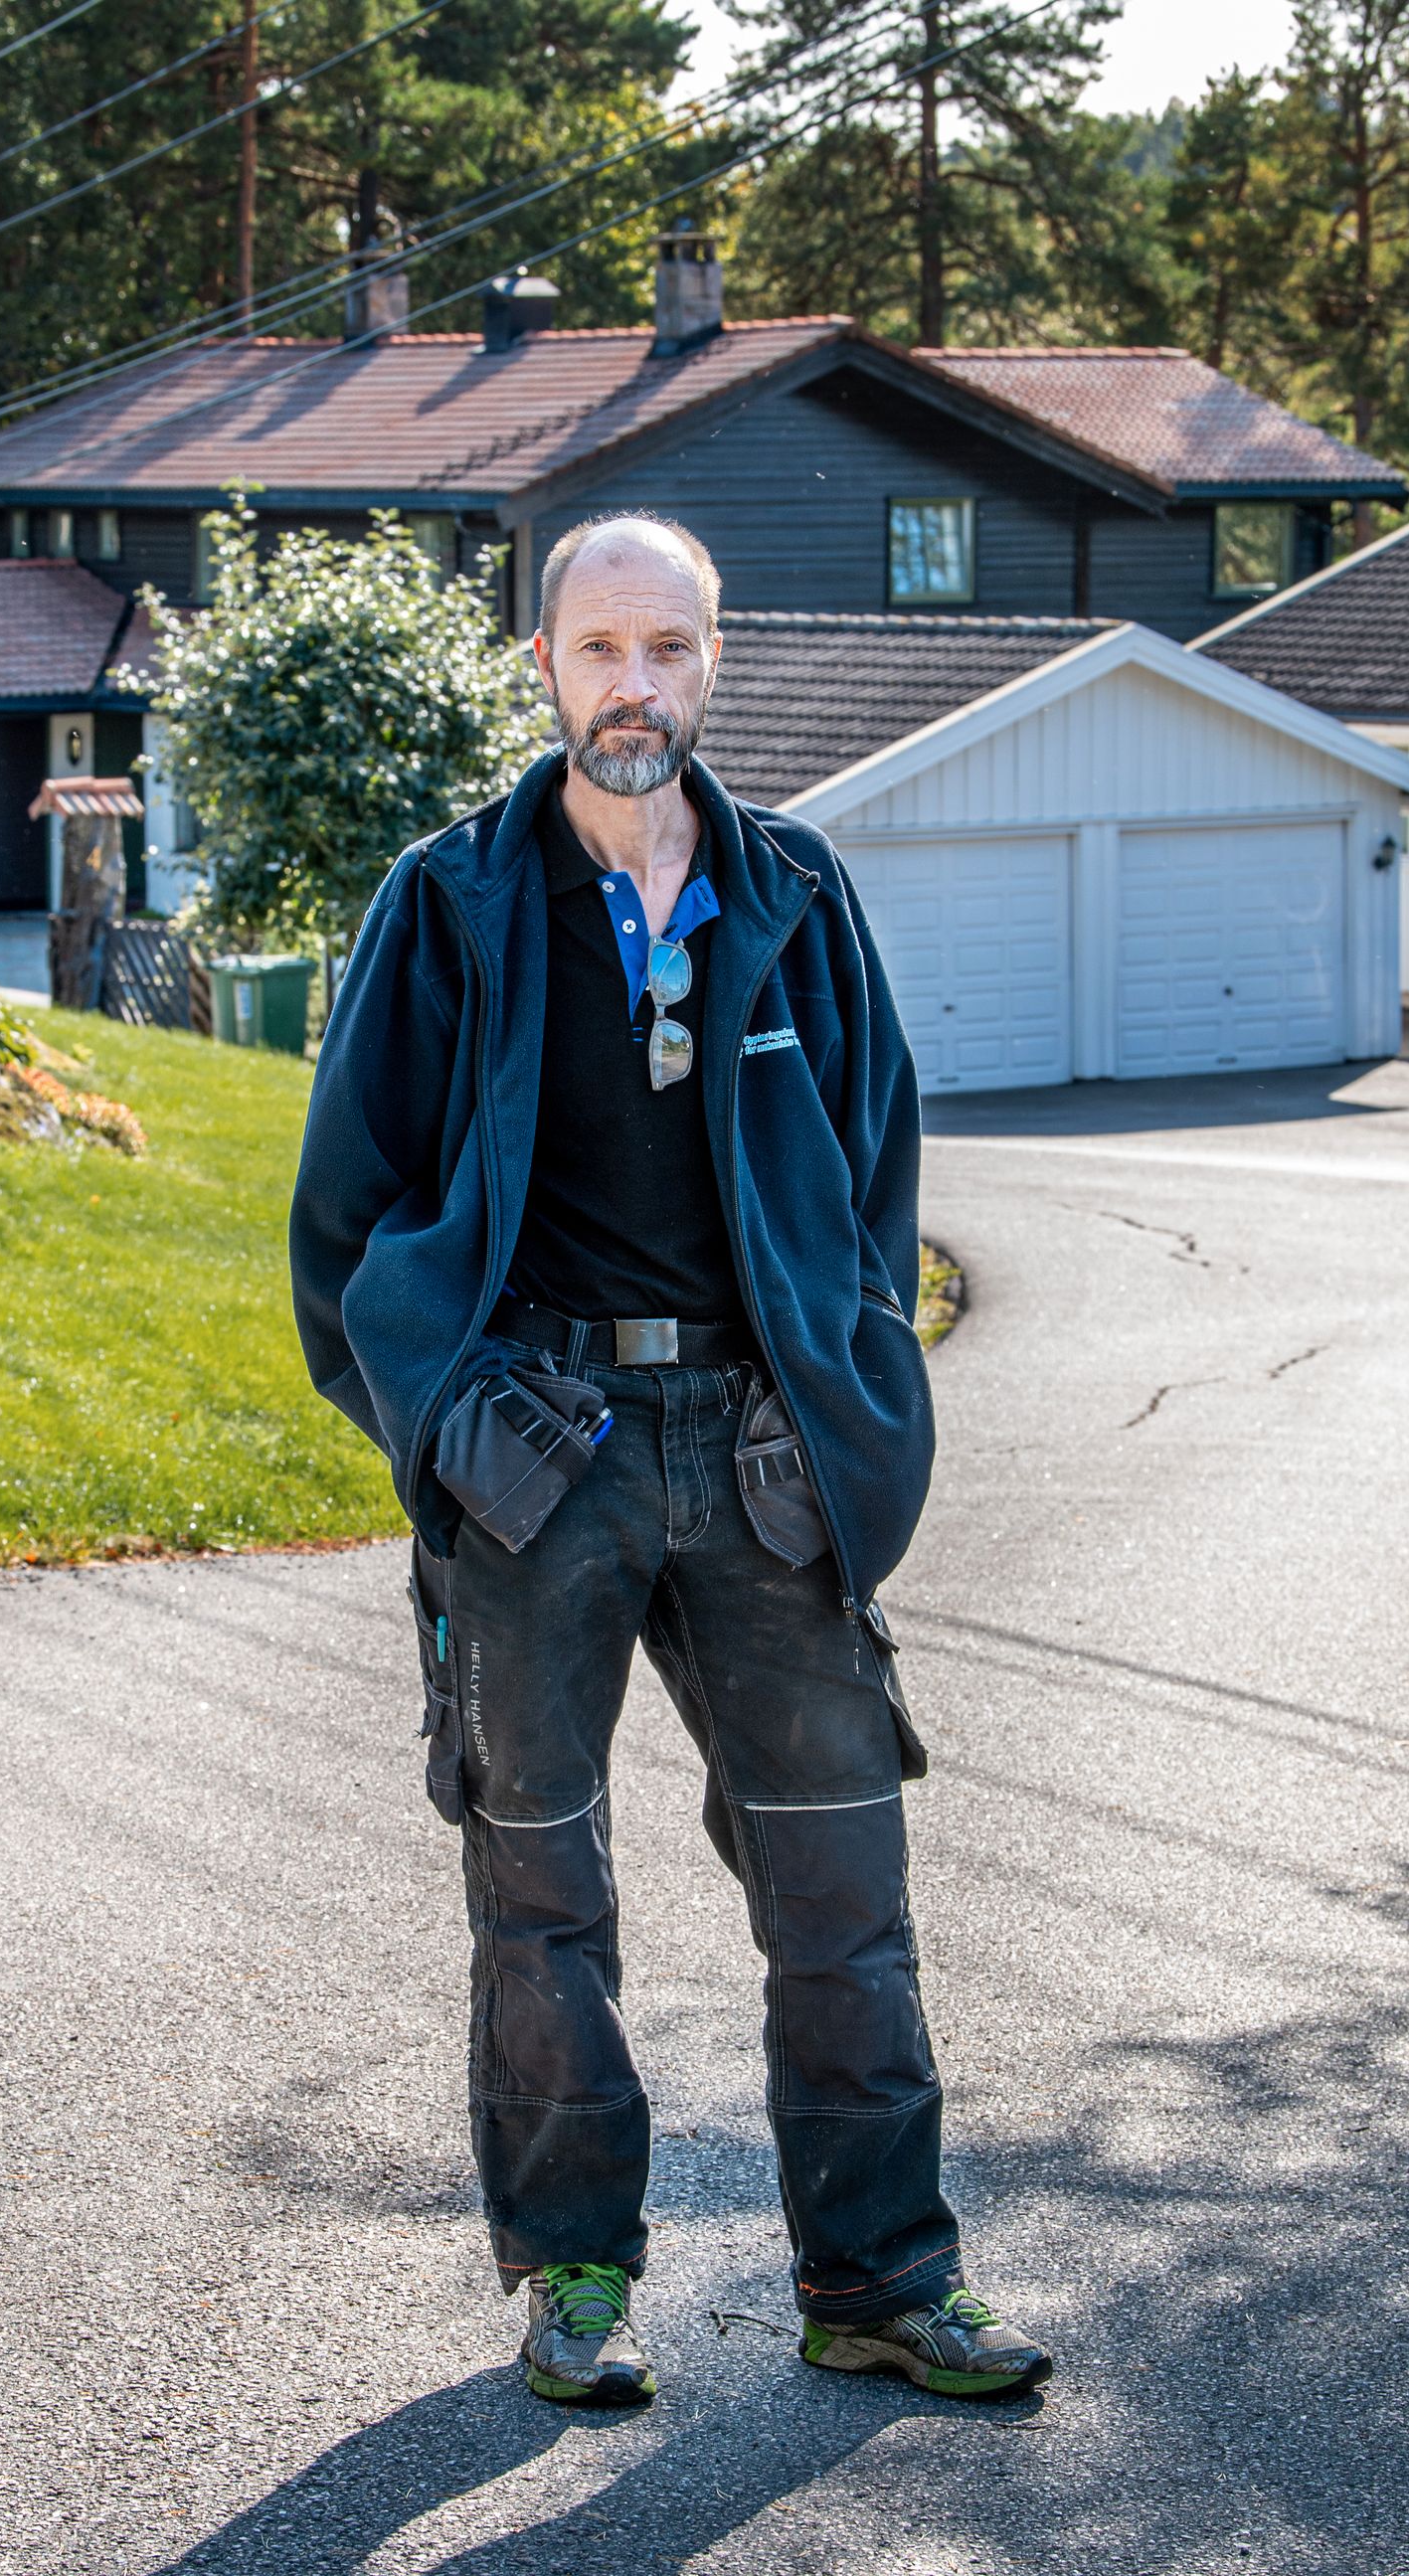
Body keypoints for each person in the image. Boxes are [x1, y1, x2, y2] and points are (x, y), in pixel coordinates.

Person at [290, 512, 1049, 2410]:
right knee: (540, 1894)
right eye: (602, 648)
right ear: (543, 664)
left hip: (760, 1445)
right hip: (534, 1444)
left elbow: (878, 1180)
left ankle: (879, 2281)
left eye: (672, 650)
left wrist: (837, 1374)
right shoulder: (450, 901)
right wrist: (444, 1410)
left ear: (718, 664)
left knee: (844, 1893)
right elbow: (348, 1210)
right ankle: (576, 2282)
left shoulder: (794, 889)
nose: (637, 686)